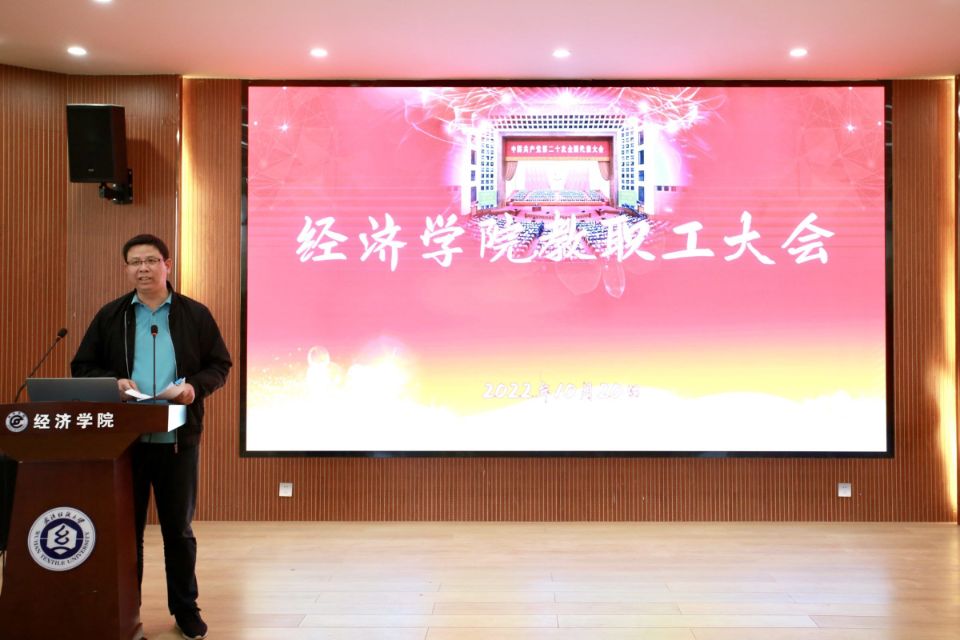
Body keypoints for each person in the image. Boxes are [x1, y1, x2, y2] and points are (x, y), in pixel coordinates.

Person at [71, 234, 231, 640]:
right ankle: (129, 610)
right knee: (128, 532)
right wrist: (114, 383)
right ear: (127, 269)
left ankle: (185, 609)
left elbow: (219, 364)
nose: (142, 268)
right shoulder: (112, 316)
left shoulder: (194, 314)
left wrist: (194, 388)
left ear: (167, 265)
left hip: (178, 439)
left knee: (178, 530)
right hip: (125, 442)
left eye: (150, 260)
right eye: (135, 262)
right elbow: (82, 365)